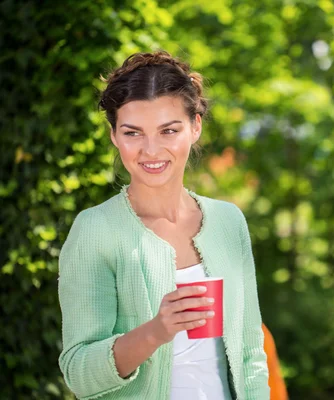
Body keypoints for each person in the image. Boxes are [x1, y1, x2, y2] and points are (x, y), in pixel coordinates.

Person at [58, 51, 269, 400]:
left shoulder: (229, 223)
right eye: (133, 133)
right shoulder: (94, 230)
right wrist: (157, 331)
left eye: (169, 130)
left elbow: (251, 354)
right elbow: (79, 373)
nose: (151, 150)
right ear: (114, 135)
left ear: (195, 127)